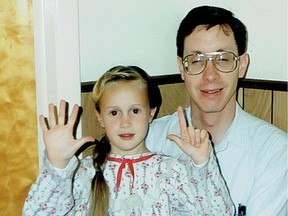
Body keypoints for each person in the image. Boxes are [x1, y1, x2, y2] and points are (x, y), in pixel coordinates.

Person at [23, 66, 234, 215]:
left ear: (151, 113)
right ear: (100, 117)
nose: (125, 122)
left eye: (135, 111)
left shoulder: (172, 171)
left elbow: (219, 213)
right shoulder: (82, 174)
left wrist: (202, 165)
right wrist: (58, 166)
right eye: (114, 113)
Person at [145, 5, 288, 216]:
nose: (210, 75)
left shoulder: (275, 152)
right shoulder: (150, 139)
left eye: (222, 59)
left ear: (242, 65)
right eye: (196, 60)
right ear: (181, 68)